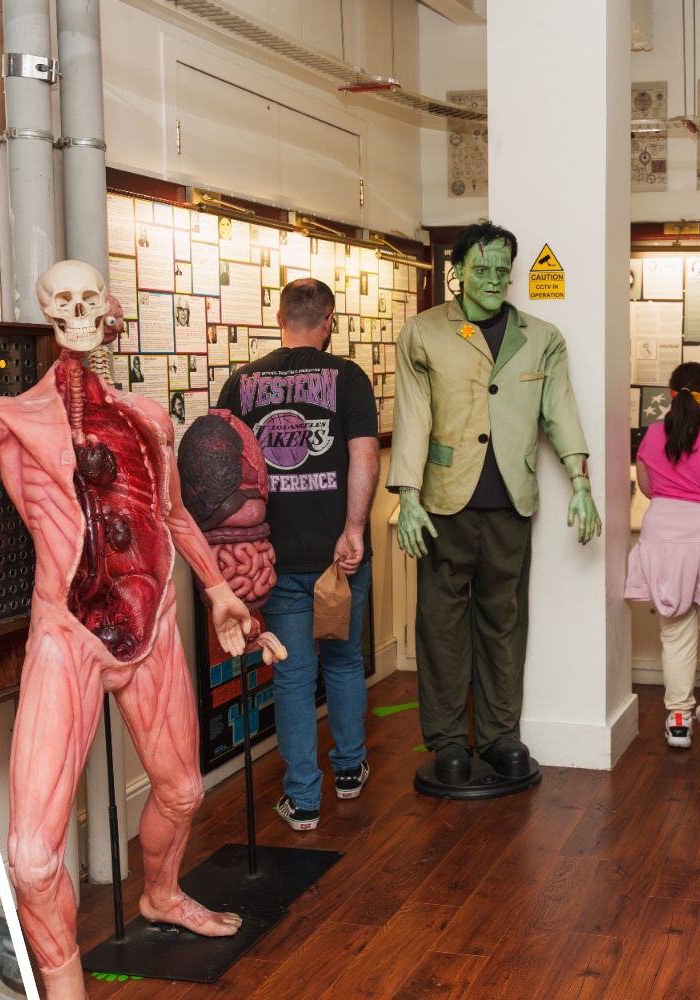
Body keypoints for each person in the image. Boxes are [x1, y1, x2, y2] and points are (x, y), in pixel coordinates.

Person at [0, 201, 281, 1000]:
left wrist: (218, 591)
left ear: (109, 309)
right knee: (33, 858)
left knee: (183, 791)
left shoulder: (149, 417)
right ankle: (65, 982)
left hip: (152, 627)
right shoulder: (20, 420)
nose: (79, 312)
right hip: (69, 632)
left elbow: (173, 514)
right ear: (49, 313)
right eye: (63, 300)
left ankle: (161, 893)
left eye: (89, 298)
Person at [391, 220, 600, 789]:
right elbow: (412, 416)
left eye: (501, 270)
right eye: (480, 268)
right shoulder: (424, 332)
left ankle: (500, 734)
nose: (491, 279)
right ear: (457, 270)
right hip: (443, 503)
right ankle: (448, 740)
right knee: (440, 625)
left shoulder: (541, 336)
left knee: (504, 622)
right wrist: (407, 496)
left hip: (511, 503)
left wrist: (581, 483)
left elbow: (560, 411)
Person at [217, 278, 380, 830]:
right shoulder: (349, 377)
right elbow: (365, 457)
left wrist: (232, 553)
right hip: (339, 557)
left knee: (291, 674)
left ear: (278, 318)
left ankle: (304, 800)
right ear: (329, 321)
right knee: (343, 660)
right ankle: (350, 772)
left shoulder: (241, 383)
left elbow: (221, 473)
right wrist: (353, 529)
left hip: (274, 556)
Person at [627, 362, 700, 747]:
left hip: (663, 534)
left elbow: (646, 486)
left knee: (676, 632)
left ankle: (679, 719)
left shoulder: (654, 433)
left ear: (671, 393)